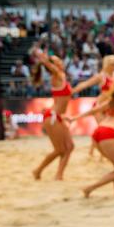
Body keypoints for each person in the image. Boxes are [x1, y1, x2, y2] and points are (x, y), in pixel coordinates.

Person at [31, 50, 74, 181]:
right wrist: (44, 60)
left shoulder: (61, 76)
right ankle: (37, 170)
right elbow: (53, 69)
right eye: (56, 61)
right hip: (53, 117)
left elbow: (60, 100)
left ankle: (59, 175)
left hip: (58, 116)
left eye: (59, 60)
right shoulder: (57, 75)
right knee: (60, 149)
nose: (60, 62)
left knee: (70, 147)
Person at [72, 55, 114, 157]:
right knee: (103, 129)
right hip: (99, 105)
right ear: (108, 65)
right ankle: (101, 153)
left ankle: (92, 151)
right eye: (113, 64)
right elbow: (85, 84)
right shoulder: (101, 76)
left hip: (109, 106)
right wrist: (72, 91)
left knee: (102, 130)